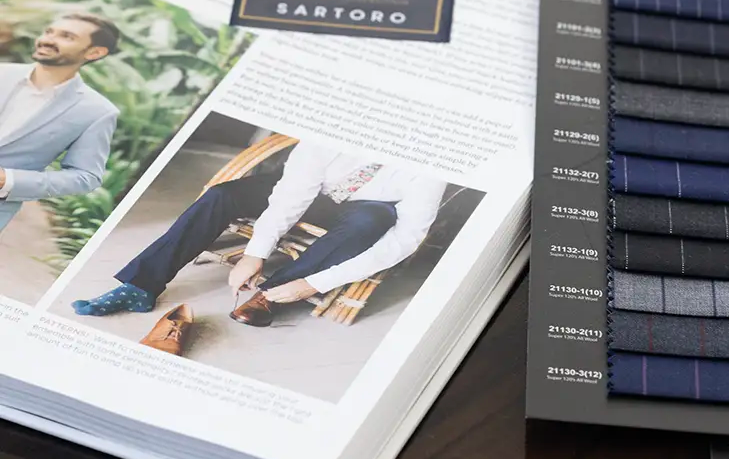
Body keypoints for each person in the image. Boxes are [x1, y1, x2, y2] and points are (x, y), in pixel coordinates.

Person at [72, 139, 448, 328]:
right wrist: (256, 252)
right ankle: (140, 285)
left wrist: (315, 284)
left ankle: (275, 294)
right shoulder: (332, 133)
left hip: (368, 204)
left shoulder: (432, 162)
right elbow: (291, 195)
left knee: (372, 222)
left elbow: (406, 238)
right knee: (223, 195)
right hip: (313, 190)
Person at [0, 12, 120, 234]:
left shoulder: (97, 112)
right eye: (48, 32)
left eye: (67, 36)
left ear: (95, 52)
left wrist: (8, 180)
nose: (47, 40)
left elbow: (86, 176)